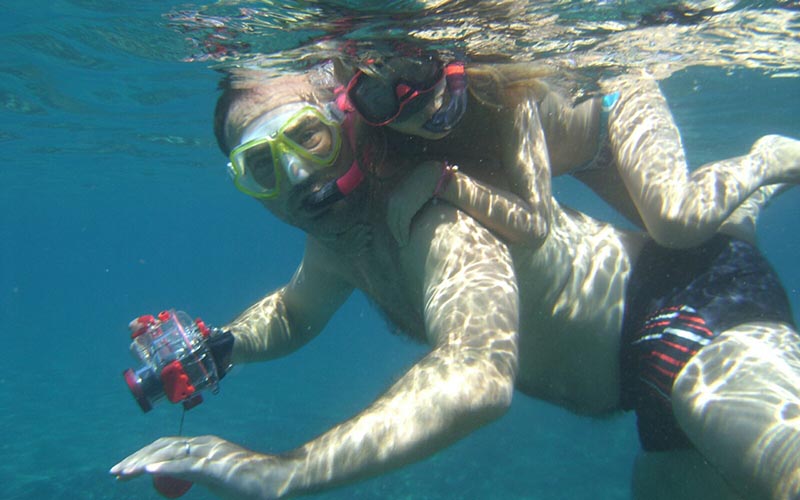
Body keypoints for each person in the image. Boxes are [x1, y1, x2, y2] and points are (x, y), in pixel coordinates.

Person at [110, 65, 800, 499]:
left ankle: (743, 202)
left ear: (348, 123)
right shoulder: (341, 242)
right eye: (261, 165)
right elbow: (294, 313)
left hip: (696, 308)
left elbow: (477, 372)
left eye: (307, 138)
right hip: (647, 400)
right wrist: (220, 345)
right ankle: (738, 217)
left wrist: (285, 472)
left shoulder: (430, 207)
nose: (296, 177)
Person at [340, 56, 800, 249]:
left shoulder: (503, 94)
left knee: (676, 223)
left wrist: (441, 181)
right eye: (380, 97)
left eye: (417, 69)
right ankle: (752, 201)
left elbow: (538, 225)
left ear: (446, 60)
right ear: (359, 106)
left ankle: (767, 158)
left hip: (615, 105)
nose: (414, 98)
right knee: (725, 242)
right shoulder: (383, 141)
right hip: (582, 160)